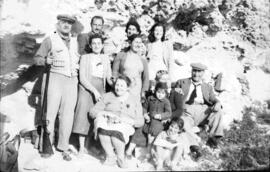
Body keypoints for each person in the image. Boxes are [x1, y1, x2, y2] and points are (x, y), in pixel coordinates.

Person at [34, 14, 79, 161]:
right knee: (50, 114)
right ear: (58, 24)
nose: (66, 25)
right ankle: (46, 145)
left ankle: (63, 146)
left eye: (69, 23)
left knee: (68, 115)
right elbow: (37, 58)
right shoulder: (50, 40)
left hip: (72, 80)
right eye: (64, 23)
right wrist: (45, 60)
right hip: (55, 78)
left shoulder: (74, 41)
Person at [90, 75, 144, 168]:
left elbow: (140, 121)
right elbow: (93, 112)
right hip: (107, 120)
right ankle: (110, 156)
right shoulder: (107, 96)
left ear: (127, 87)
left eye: (122, 86)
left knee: (116, 133)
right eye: (117, 85)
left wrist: (126, 120)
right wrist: (103, 113)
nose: (118, 88)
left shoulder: (134, 99)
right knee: (102, 126)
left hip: (124, 123)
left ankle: (120, 157)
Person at [72, 34, 113, 156]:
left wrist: (116, 83)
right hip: (87, 88)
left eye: (99, 43)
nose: (96, 46)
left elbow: (108, 77)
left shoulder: (105, 58)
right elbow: (82, 78)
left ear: (102, 45)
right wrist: (94, 91)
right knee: (83, 115)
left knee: (95, 115)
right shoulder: (85, 57)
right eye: (94, 43)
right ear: (90, 45)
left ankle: (88, 145)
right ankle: (80, 147)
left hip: (101, 87)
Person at [175, 62, 224, 148]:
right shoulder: (181, 82)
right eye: (194, 71)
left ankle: (214, 139)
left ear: (203, 73)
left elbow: (213, 98)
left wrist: (218, 103)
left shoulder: (207, 86)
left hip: (202, 111)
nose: (196, 74)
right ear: (191, 71)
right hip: (187, 111)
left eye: (199, 71)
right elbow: (175, 95)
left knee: (218, 111)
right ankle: (194, 145)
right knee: (183, 122)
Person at [112, 34, 149, 101]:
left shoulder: (143, 60)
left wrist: (143, 92)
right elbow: (114, 73)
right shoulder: (121, 55)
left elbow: (146, 78)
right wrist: (117, 87)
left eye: (140, 43)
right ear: (130, 43)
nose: (138, 45)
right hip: (123, 88)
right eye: (136, 42)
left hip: (137, 89)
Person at [143, 82, 172, 147]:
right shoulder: (150, 98)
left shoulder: (166, 101)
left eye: (162, 93)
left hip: (159, 121)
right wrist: (145, 114)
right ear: (155, 91)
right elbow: (144, 107)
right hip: (149, 119)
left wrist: (160, 116)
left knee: (155, 130)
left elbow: (169, 113)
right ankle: (148, 143)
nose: (160, 95)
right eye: (158, 92)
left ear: (165, 93)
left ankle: (151, 144)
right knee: (146, 131)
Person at [147, 22, 174, 89]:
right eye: (156, 30)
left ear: (163, 32)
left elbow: (170, 60)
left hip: (162, 69)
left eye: (160, 31)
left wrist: (170, 76)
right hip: (150, 69)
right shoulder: (149, 45)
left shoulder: (167, 44)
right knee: (151, 89)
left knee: (162, 89)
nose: (158, 33)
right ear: (153, 32)